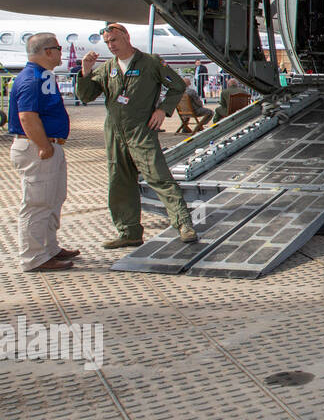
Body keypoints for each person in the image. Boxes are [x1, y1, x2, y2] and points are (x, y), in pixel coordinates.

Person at [76, 23, 196, 247]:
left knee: (159, 177)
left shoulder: (150, 62)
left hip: (141, 131)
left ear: (126, 37)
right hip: (114, 132)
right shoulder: (107, 68)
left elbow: (177, 86)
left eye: (114, 40)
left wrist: (163, 110)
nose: (111, 46)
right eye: (107, 43)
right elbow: (86, 96)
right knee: (119, 182)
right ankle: (129, 232)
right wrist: (85, 72)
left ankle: (184, 224)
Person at [9, 33, 77, 271]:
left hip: (48, 145)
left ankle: (49, 248)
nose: (61, 52)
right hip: (38, 147)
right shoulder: (33, 79)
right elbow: (27, 116)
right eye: (58, 48)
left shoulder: (43, 76)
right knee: (37, 203)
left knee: (53, 199)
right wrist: (44, 146)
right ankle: (34, 257)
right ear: (48, 52)